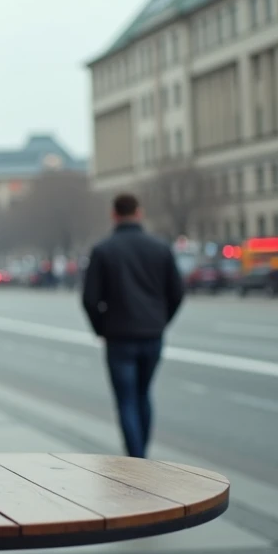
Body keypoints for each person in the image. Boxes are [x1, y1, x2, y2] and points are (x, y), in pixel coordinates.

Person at [80, 193, 183, 459]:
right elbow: (177, 293)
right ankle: (142, 455)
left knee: (126, 399)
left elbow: (90, 299)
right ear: (139, 213)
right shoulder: (160, 248)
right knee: (143, 393)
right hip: (152, 334)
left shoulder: (103, 250)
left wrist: (101, 328)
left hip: (119, 336)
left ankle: (136, 458)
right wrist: (161, 321)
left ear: (114, 215)